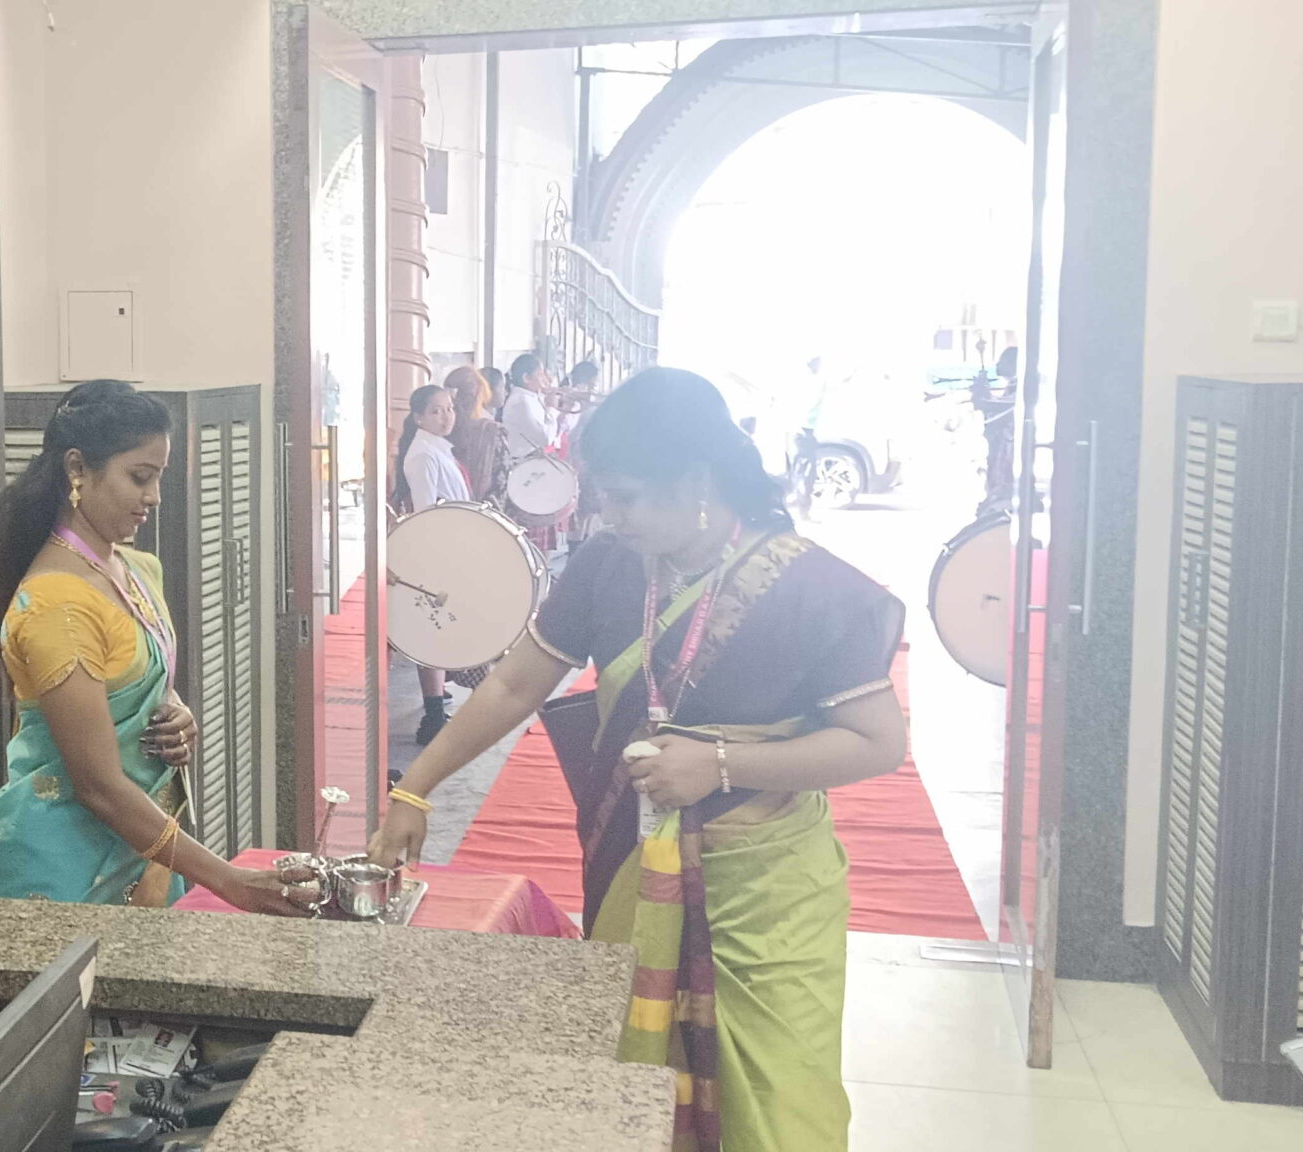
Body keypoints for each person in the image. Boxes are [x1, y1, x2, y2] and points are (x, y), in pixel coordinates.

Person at [369, 367, 908, 1152]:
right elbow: (515, 683)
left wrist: (720, 765)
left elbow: (878, 742)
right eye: (603, 497)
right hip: (635, 861)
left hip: (766, 891)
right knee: (635, 1085)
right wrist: (414, 790)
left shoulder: (814, 589)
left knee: (776, 1100)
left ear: (695, 481)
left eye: (625, 497)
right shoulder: (610, 565)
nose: (608, 515)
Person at [0, 379, 314, 915]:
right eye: (139, 477)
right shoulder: (57, 605)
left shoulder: (134, 568)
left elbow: (136, 682)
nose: (153, 496)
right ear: (77, 468)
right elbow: (98, 787)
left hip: (144, 848)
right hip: (63, 867)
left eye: (158, 477)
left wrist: (175, 711)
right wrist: (229, 881)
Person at [389, 383, 465, 745]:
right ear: (418, 417)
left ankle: (436, 702)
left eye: (449, 409)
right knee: (431, 630)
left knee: (437, 629)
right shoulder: (422, 455)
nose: (446, 417)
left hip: (448, 546)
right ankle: (433, 715)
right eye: (436, 411)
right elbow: (426, 514)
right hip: (436, 551)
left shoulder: (436, 448)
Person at [442, 365, 505, 505]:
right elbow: (501, 483)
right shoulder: (493, 430)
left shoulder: (440, 432)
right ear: (481, 394)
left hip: (449, 509)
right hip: (483, 509)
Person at [500, 352, 556, 459]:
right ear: (527, 378)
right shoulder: (521, 402)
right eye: (540, 374)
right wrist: (551, 407)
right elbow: (545, 438)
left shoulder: (532, 397)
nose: (544, 379)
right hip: (523, 462)